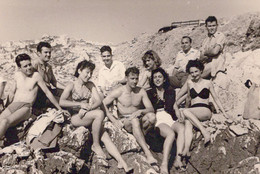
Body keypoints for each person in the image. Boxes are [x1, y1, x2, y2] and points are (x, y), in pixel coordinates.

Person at [59, 60, 132, 173]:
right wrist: (79, 104)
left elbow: (98, 100)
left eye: (91, 73)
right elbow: (62, 102)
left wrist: (88, 108)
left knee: (105, 135)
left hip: (88, 115)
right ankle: (96, 144)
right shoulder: (71, 85)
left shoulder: (90, 85)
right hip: (76, 117)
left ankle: (121, 162)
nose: (89, 75)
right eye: (87, 72)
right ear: (79, 71)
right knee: (100, 114)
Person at [0, 54, 69, 148]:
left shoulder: (36, 76)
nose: (29, 68)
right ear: (19, 68)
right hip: (13, 105)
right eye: (25, 66)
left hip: (26, 107)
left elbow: (47, 93)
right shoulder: (17, 75)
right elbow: (12, 92)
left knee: (5, 122)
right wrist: (5, 107)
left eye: (29, 64)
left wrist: (60, 108)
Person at [103, 67, 158, 166]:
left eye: (136, 78)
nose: (135, 81)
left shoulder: (141, 91)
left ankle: (139, 138)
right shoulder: (119, 91)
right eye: (132, 78)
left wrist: (141, 111)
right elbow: (102, 104)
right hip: (126, 121)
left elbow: (151, 109)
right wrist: (112, 119)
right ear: (126, 78)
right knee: (134, 121)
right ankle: (148, 153)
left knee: (152, 117)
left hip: (138, 118)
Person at [176, 60, 228, 159]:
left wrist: (224, 113)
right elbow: (188, 98)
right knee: (187, 122)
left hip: (205, 110)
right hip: (193, 111)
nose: (194, 74)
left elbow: (216, 98)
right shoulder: (189, 83)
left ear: (201, 71)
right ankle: (186, 149)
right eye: (191, 72)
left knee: (185, 111)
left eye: (196, 71)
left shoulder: (208, 83)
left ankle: (204, 132)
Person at [147, 68, 185, 173]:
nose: (157, 79)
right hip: (158, 118)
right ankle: (164, 165)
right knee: (171, 134)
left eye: (160, 77)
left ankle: (178, 158)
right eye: (155, 77)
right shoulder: (149, 93)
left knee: (182, 128)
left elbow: (174, 106)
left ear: (164, 79)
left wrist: (179, 116)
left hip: (169, 116)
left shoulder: (170, 91)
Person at [32, 42, 65, 111]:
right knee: (63, 102)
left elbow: (54, 82)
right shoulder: (35, 64)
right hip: (40, 96)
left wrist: (66, 88)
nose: (48, 55)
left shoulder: (48, 66)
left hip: (49, 91)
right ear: (39, 53)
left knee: (66, 94)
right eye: (46, 52)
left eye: (49, 52)